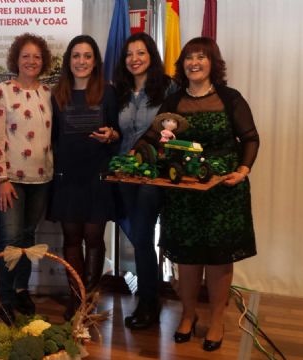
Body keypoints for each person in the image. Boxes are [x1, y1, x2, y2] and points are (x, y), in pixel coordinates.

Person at [138, 37, 259, 351]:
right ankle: (188, 314)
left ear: (212, 63)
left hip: (224, 192)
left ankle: (217, 319)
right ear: (183, 65)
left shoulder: (231, 98)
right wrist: (134, 156)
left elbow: (250, 138)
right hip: (184, 195)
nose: (194, 62)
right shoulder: (174, 102)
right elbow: (153, 136)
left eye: (201, 57)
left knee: (219, 259)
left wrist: (244, 170)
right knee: (187, 259)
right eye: (189, 57)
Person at [48, 35, 119, 320]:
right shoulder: (57, 94)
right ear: (69, 61)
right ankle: (75, 297)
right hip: (67, 176)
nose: (81, 61)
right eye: (76, 56)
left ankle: (91, 295)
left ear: (95, 61)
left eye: (87, 56)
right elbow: (51, 137)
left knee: (94, 236)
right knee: (72, 237)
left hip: (97, 174)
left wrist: (111, 135)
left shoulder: (108, 91)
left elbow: (117, 133)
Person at [0, 33, 54, 324]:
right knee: (11, 239)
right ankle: (5, 298)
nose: (31, 61)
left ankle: (22, 289)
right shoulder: (2, 91)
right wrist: (1, 178)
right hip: (9, 179)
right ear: (16, 58)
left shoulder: (49, 94)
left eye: (36, 57)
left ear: (43, 61)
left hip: (42, 179)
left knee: (27, 238)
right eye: (25, 56)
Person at [112, 32, 175, 330]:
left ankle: (149, 301)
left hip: (154, 175)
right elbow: (118, 132)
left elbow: (173, 131)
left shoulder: (167, 88)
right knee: (138, 237)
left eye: (141, 53)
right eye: (129, 55)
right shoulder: (120, 92)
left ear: (151, 55)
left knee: (142, 234)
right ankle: (151, 296)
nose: (134, 59)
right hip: (124, 173)